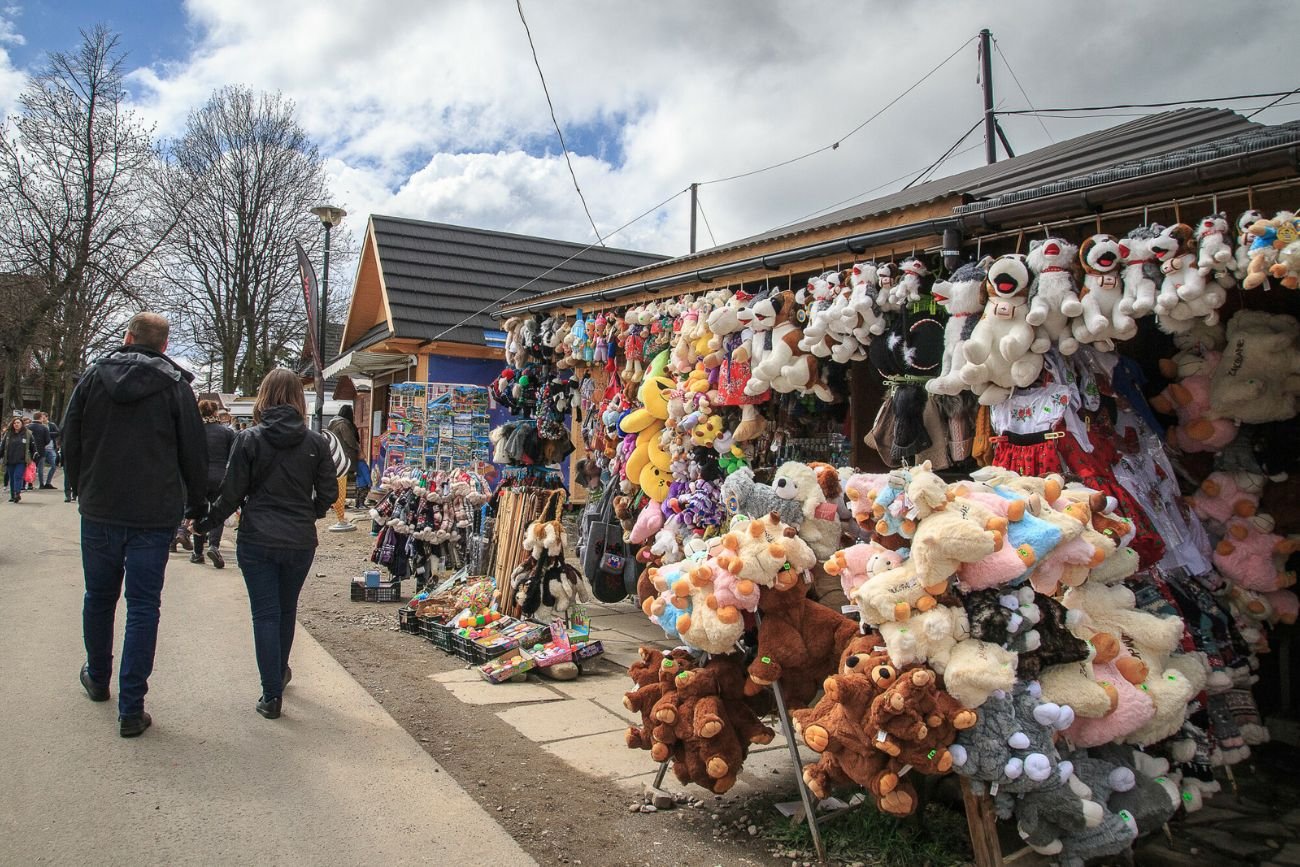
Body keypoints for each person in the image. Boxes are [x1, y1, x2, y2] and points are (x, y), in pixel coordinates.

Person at [64, 312, 207, 738]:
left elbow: (71, 435)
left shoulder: (93, 378)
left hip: (100, 508)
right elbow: (193, 452)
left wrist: (79, 485)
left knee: (99, 596)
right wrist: (195, 505)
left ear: (127, 338)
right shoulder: (175, 387)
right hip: (152, 513)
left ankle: (97, 677)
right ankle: (131, 706)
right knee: (144, 607)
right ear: (164, 346)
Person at [194, 369, 334, 720]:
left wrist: (205, 523)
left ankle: (271, 693)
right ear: (299, 401)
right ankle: (280, 673)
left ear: (263, 396)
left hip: (257, 538)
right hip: (300, 539)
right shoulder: (316, 443)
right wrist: (309, 512)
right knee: (287, 610)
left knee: (265, 614)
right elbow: (328, 493)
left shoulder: (249, 439)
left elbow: (231, 493)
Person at [192, 399, 236, 568]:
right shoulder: (227, 433)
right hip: (220, 477)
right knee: (218, 511)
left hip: (199, 477)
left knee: (199, 512)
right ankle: (214, 545)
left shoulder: (195, 432)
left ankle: (197, 553)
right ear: (216, 413)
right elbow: (234, 455)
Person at [326, 404, 359, 531]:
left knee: (336, 483)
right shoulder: (343, 424)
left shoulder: (331, 423)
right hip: (345, 458)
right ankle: (342, 513)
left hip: (334, 457)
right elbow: (349, 440)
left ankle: (335, 505)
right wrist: (358, 448)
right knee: (345, 484)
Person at [1, 416, 35, 502]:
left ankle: (17, 493)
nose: (16, 424)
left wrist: (34, 456)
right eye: (14, 423)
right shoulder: (8, 434)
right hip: (10, 459)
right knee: (12, 478)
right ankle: (13, 495)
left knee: (18, 476)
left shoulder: (27, 434)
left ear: (22, 424)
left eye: (18, 423)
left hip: (21, 460)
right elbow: (3, 446)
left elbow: (32, 447)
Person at [29, 411, 56, 489]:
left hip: (30, 450)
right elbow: (48, 440)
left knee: (30, 467)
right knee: (40, 468)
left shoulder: (28, 426)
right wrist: (43, 444)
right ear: (40, 418)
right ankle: (41, 484)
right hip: (41, 450)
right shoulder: (44, 427)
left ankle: (29, 483)